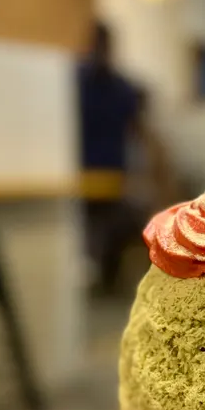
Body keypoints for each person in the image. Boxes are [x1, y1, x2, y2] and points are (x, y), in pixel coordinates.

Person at [77, 21, 141, 293]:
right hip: (89, 178)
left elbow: (136, 131)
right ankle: (99, 278)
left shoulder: (118, 88)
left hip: (107, 178)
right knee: (97, 231)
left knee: (108, 230)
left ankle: (102, 279)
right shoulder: (116, 87)